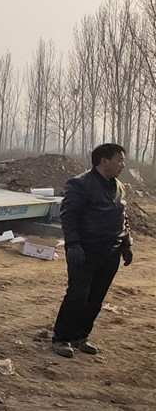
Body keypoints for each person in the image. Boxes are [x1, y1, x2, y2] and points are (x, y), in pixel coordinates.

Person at [51, 143, 134, 358]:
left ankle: (80, 336)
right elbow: (68, 217)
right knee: (78, 295)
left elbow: (122, 217)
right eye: (119, 160)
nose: (123, 165)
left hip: (110, 252)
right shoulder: (80, 184)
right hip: (85, 251)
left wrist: (126, 244)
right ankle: (61, 337)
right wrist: (73, 244)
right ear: (104, 161)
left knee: (96, 297)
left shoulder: (119, 186)